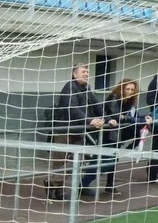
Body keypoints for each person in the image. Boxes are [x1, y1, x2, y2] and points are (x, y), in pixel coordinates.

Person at [44, 63, 109, 200]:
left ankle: (53, 182)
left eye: (87, 72)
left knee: (78, 159)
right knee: (59, 160)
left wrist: (109, 119)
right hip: (64, 130)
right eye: (83, 71)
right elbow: (72, 109)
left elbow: (96, 105)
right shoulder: (69, 88)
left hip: (78, 130)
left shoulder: (86, 88)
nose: (86, 74)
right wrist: (90, 121)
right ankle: (57, 190)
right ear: (74, 74)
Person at [81, 78, 152, 196]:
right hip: (107, 134)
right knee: (105, 161)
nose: (130, 92)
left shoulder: (129, 102)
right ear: (121, 89)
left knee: (112, 159)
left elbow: (130, 117)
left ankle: (109, 185)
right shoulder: (114, 99)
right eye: (127, 89)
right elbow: (118, 117)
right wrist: (137, 120)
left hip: (116, 135)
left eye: (132, 90)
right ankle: (83, 184)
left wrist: (144, 118)